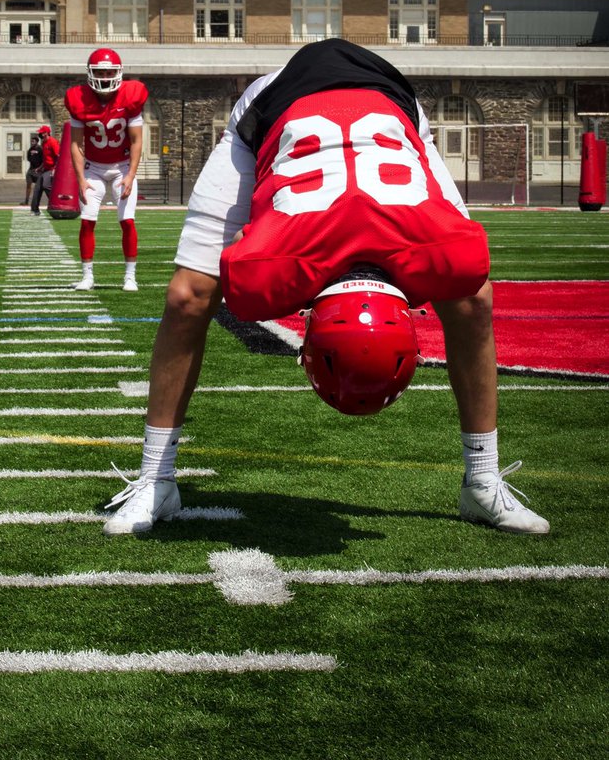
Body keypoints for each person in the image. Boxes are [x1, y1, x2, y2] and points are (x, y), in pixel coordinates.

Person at [103, 39, 550, 537]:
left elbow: (472, 290)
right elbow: (199, 290)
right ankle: (155, 479)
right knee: (188, 298)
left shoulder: (278, 269)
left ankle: (483, 479)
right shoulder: (275, 267)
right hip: (276, 103)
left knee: (472, 297)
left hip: (390, 107)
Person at [65, 48, 149, 292]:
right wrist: (80, 179)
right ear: (90, 73)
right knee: (87, 222)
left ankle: (130, 277)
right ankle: (87, 277)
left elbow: (136, 141)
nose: (104, 76)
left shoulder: (131, 96)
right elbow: (75, 143)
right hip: (94, 168)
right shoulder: (78, 99)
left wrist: (131, 175)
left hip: (122, 167)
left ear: (118, 73)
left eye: (109, 72)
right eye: (99, 71)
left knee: (127, 221)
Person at [29, 125, 60, 216]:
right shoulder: (44, 143)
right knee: (37, 189)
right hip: (45, 170)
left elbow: (58, 157)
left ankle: (56, 205)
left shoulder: (53, 142)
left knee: (46, 186)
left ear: (46, 133)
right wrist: (39, 168)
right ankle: (35, 210)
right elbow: (45, 159)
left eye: (41, 132)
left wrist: (55, 169)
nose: (40, 134)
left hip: (51, 169)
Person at [23, 133, 43, 206]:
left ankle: (36, 202)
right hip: (31, 170)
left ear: (37, 141)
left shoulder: (40, 149)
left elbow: (43, 160)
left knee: (38, 187)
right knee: (28, 185)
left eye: (33, 141)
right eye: (31, 141)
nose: (32, 142)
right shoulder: (30, 149)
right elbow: (28, 158)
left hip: (38, 170)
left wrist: (40, 168)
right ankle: (26, 201)